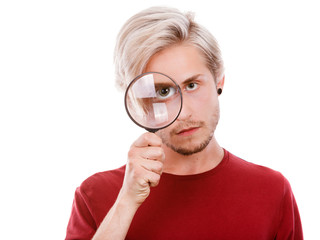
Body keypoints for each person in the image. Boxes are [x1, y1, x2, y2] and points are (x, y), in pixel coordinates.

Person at [65, 6, 303, 240]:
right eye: (163, 91)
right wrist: (126, 203)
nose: (183, 113)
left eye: (191, 85)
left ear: (219, 79)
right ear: (137, 100)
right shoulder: (95, 195)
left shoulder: (272, 191)